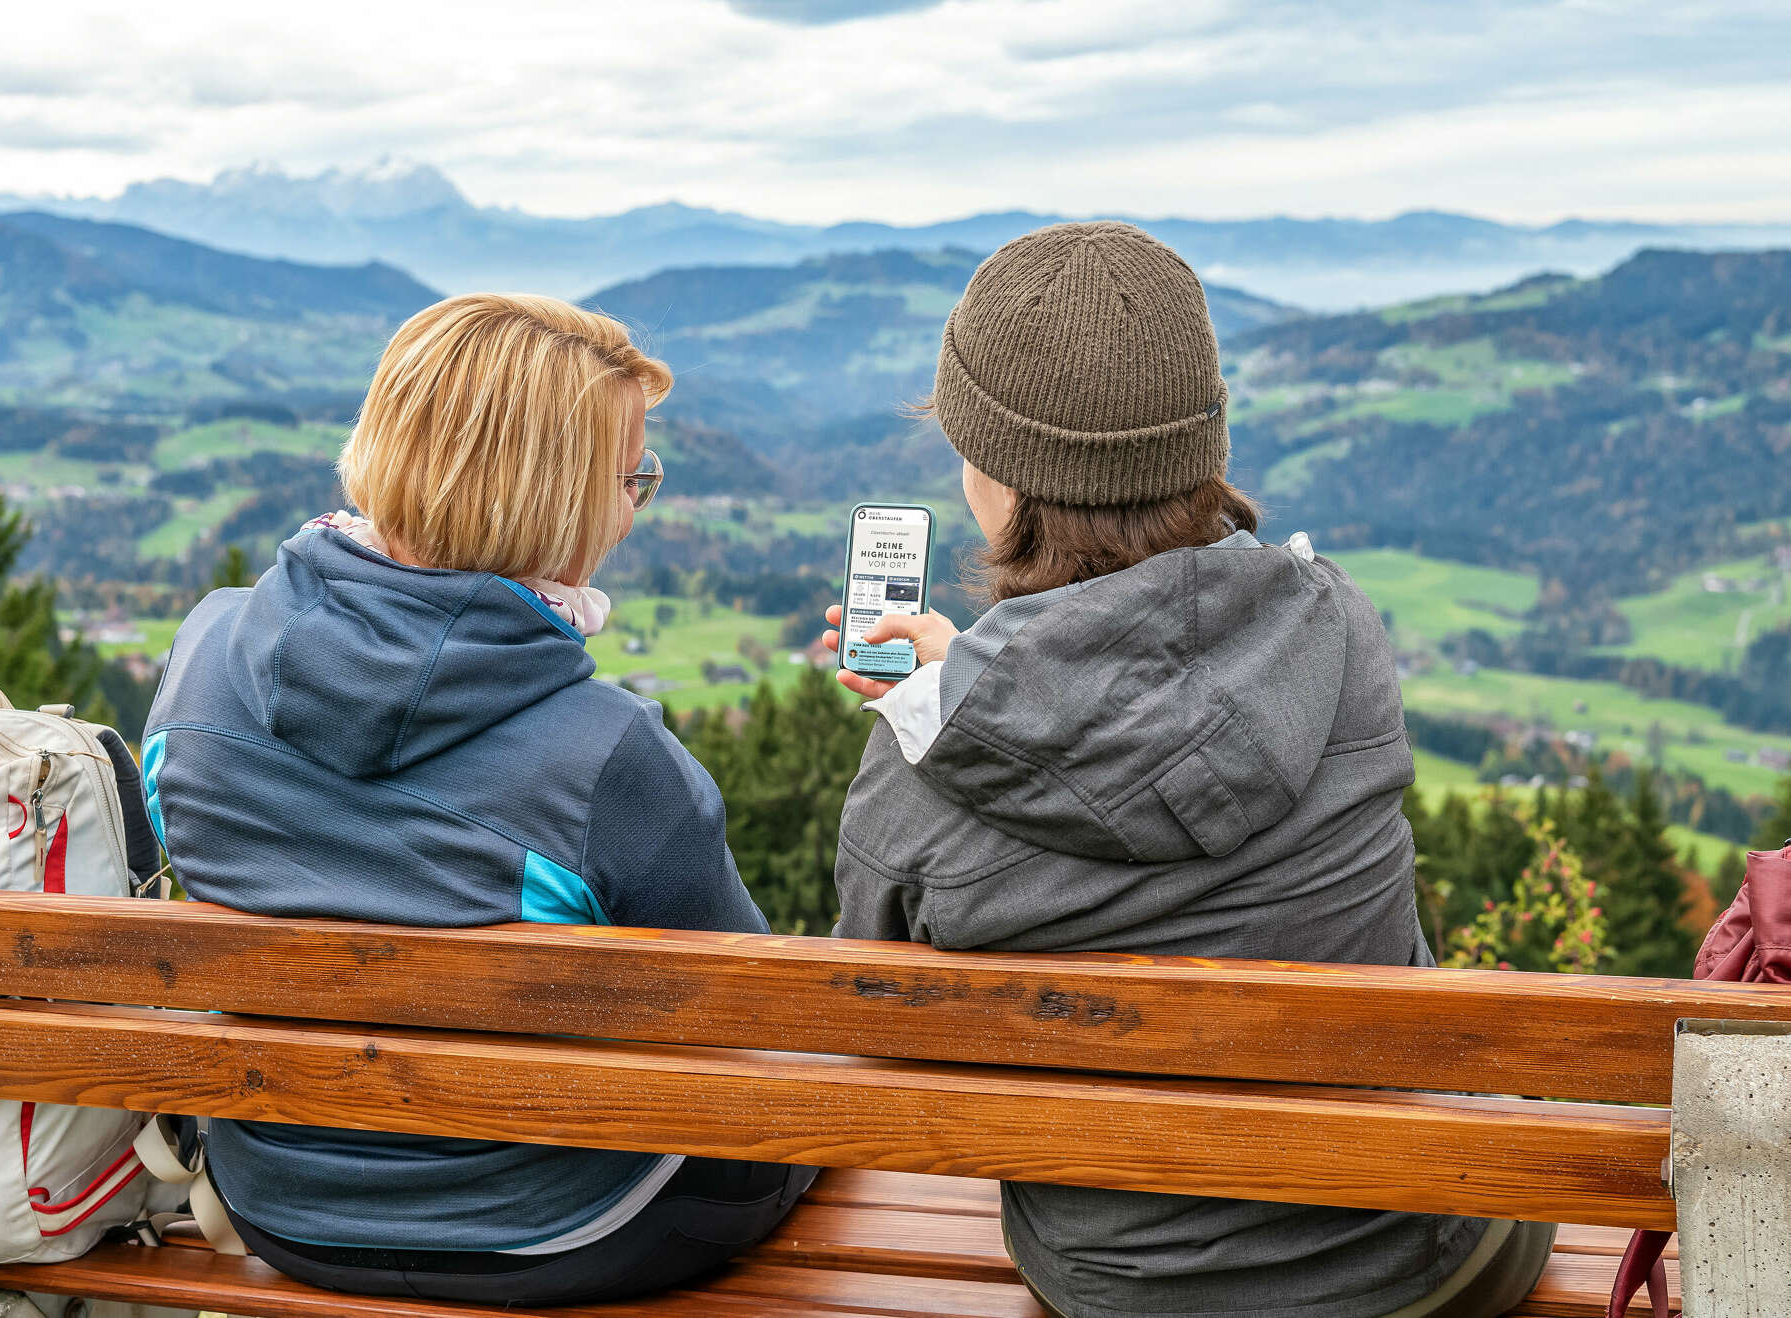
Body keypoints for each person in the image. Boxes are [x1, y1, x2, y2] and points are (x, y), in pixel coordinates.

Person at [823, 223, 1556, 1318]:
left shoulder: (921, 768)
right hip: (1425, 1254)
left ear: (998, 476)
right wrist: (974, 683)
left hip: (1126, 1288)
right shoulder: (1340, 635)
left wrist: (956, 702)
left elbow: (871, 1021)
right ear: (1200, 443)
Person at [142, 293, 812, 1306]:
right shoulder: (611, 755)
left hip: (281, 1202)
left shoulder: (201, 660)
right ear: (559, 501)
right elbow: (746, 1021)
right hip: (573, 1225)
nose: (637, 504)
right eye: (633, 478)